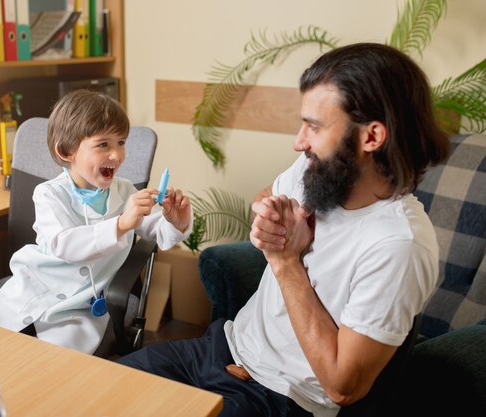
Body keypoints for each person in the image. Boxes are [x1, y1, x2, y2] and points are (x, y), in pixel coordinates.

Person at [118, 43, 450, 417]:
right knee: (96, 391)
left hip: (281, 399)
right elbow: (269, 195)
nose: (298, 141)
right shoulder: (317, 172)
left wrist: (286, 261)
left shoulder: (399, 245)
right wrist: (267, 214)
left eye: (314, 126)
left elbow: (343, 387)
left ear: (371, 137)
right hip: (223, 348)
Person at [0, 90, 192, 354]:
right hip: (34, 286)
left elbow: (157, 232)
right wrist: (121, 224)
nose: (116, 155)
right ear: (67, 151)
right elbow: (65, 244)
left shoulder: (125, 191)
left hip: (81, 306)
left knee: (58, 364)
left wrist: (176, 221)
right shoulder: (49, 194)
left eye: (121, 142)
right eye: (103, 144)